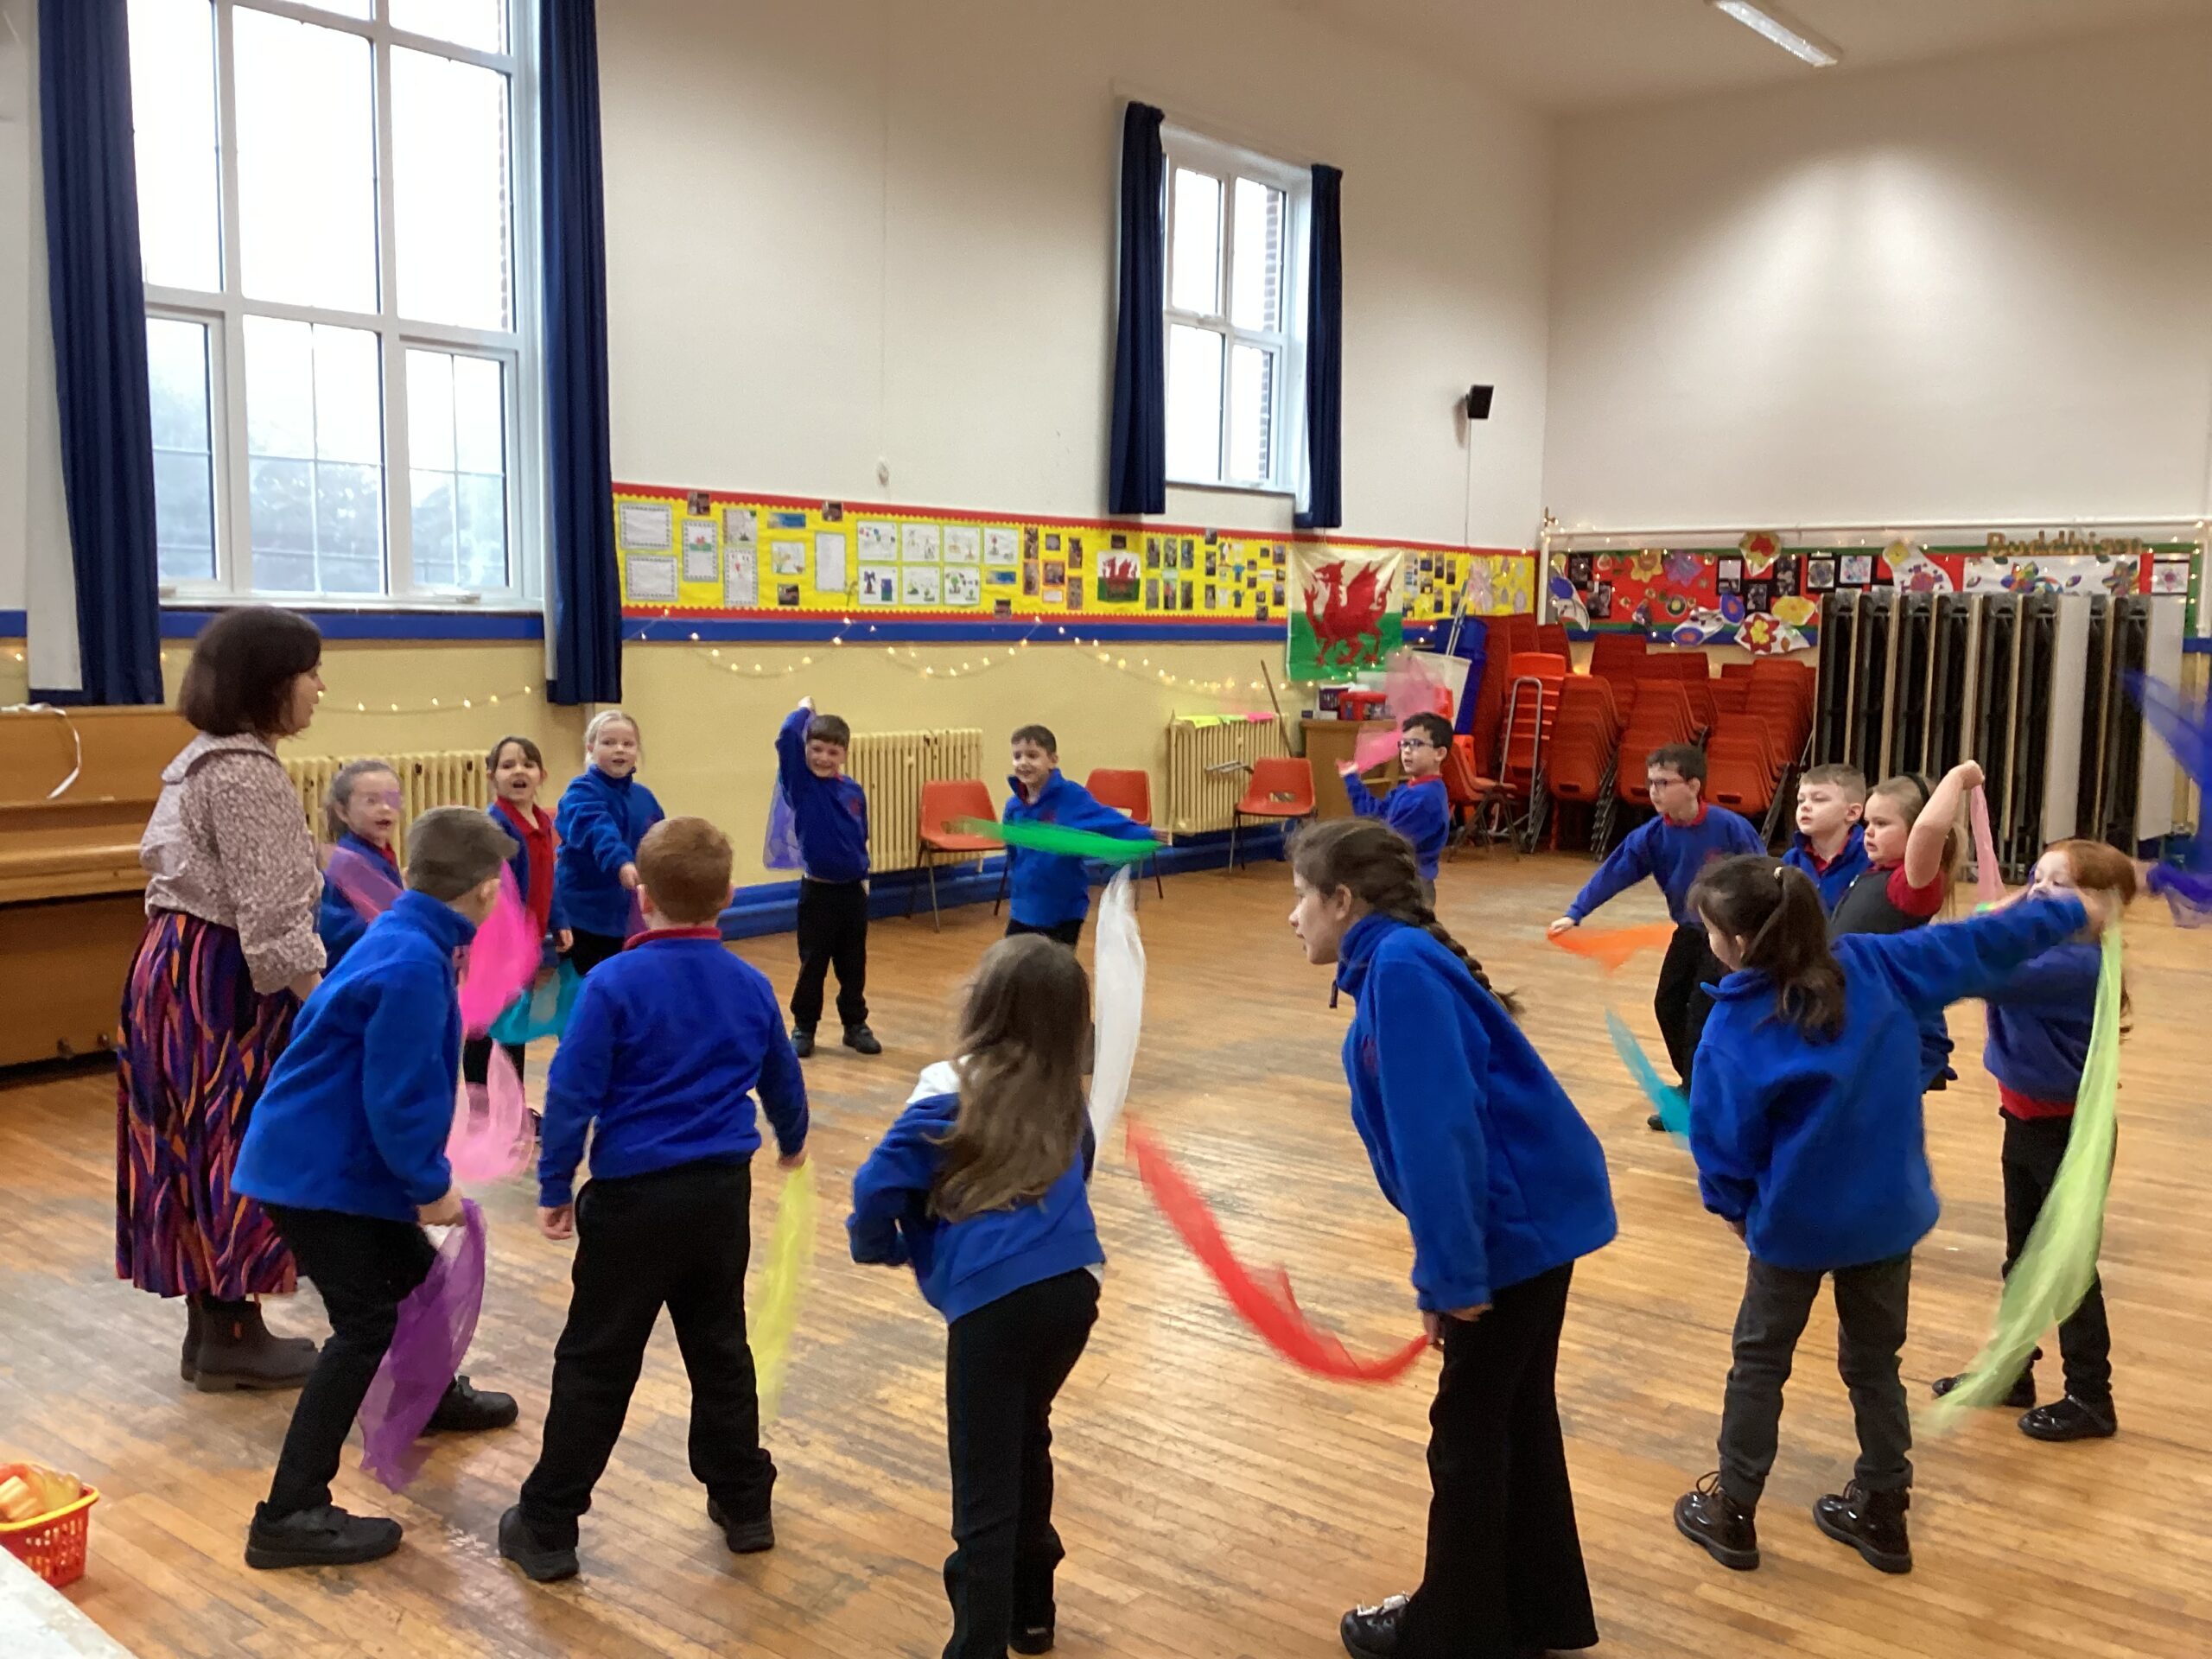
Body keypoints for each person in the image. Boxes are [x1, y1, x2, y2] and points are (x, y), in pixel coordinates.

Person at [1670, 857, 2108, 1580]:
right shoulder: (1880, 964)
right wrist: (2067, 911)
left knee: (1760, 1364)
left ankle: (1734, 1511)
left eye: (1711, 930)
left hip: (1792, 1230)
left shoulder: (1734, 1027)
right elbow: (1975, 945)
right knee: (1875, 1365)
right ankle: (1883, 1512)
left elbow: (1723, 1146)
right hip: (1884, 1219)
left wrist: (1734, 1211)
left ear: (1740, 943)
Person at [1290, 818, 1614, 1659]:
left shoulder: (1400, 971)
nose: (1293, 917)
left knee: (1469, 1434)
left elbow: (1441, 1135)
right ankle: (1537, 1612)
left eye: (1302, 897)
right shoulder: (1396, 961)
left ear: (1342, 900)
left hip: (1513, 1229)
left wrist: (1452, 1274)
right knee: (1513, 1417)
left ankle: (1454, 1631)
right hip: (1527, 1222)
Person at [501, 817, 809, 1584]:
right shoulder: (749, 983)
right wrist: (793, 1138)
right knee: (720, 1347)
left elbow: (572, 1094)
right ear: (729, 897)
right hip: (719, 1197)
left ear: (642, 899)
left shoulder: (612, 984)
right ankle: (744, 1503)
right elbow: (781, 1074)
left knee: (598, 1360)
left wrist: (554, 1183)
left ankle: (548, 1524)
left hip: (633, 1201)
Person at [232, 807, 523, 1570]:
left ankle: (430, 1396)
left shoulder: (406, 936)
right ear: (486, 892)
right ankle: (289, 1512)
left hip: (320, 1160)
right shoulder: (414, 965)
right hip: (315, 1174)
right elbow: (398, 1098)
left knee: (422, 1280)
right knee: (364, 1324)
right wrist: (430, 1187)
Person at [849, 935, 1103, 1659]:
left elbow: (876, 1185)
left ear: (984, 1005)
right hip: (1073, 1292)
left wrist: (880, 1246)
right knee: (1026, 1436)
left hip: (994, 1309)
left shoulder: (944, 1085)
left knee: (984, 1486)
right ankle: (1033, 1611)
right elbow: (1079, 1174)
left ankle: (978, 1645)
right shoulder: (1067, 1100)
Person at [119, 606, 328, 1393]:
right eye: (308, 673)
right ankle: (234, 1331)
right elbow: (272, 924)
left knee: (189, 1141)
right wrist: (329, 1010)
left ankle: (212, 1330)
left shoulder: (198, 760)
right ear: (268, 683)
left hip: (175, 965)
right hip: (221, 979)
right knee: (234, 1138)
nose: (318, 688)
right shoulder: (247, 774)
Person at [1930, 836, 2138, 1443]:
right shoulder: (2052, 949)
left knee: (2069, 1270)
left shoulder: (2074, 964)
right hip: (2024, 1121)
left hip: (2065, 1134)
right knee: (2022, 1258)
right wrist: (2028, 900)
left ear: (2101, 905)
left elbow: (1978, 963)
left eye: (2060, 884)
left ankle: (2091, 1397)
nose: (2041, 893)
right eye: (2037, 879)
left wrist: (2009, 910)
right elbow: (1987, 930)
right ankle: (2013, 1371)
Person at [1548, 743, 1764, 1126]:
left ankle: (1700, 1099)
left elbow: (1762, 873)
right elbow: (1615, 872)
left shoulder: (1730, 827)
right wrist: (1576, 912)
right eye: (1650, 782)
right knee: (1667, 1004)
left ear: (1693, 786)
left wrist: (1754, 931)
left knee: (1702, 1012)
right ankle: (1694, 1084)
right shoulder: (1651, 835)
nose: (1654, 791)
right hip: (1690, 932)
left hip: (1728, 936)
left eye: (1664, 782)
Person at [1829, 766, 1969, 1091]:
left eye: (1882, 824)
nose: (1868, 833)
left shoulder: (1912, 884)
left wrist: (1958, 778)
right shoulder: (1875, 873)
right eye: (1867, 823)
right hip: (1864, 1021)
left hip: (1895, 1030)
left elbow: (1931, 829)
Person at [462, 735, 574, 1089]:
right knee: (486, 1024)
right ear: (492, 776)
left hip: (527, 942)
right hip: (497, 946)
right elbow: (490, 887)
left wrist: (558, 919)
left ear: (542, 775)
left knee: (516, 1023)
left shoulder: (541, 821)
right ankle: (482, 1103)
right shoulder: (495, 825)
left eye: (527, 764)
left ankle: (513, 1100)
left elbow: (548, 876)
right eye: (508, 765)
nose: (518, 772)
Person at [777, 696, 880, 1058]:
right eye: (816, 749)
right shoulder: (801, 786)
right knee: (813, 964)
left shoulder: (852, 790)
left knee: (853, 964)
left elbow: (860, 833)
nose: (823, 757)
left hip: (852, 892)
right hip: (818, 894)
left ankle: (855, 1024)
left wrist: (862, 877)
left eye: (832, 752)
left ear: (844, 755)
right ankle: (804, 1026)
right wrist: (803, 711)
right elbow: (786, 739)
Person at [1001, 724, 1157, 946]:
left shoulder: (1071, 797)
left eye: (1032, 755)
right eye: (1017, 756)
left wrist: (1145, 834)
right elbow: (1012, 851)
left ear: (1052, 760)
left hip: (1063, 907)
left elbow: (1106, 820)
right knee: (1013, 962)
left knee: (1057, 965)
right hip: (1024, 904)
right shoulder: (1014, 807)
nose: (1023, 762)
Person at [555, 711, 664, 976]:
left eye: (628, 744)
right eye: (609, 742)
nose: (619, 749)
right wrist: (621, 863)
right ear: (591, 748)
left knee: (621, 979)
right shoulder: (581, 791)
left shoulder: (644, 797)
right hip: (582, 913)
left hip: (625, 914)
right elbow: (597, 829)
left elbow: (660, 839)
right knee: (584, 983)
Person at [1336, 712, 1452, 906]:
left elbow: (1391, 841)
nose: (1406, 750)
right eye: (1404, 744)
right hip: (1398, 880)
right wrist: (1352, 780)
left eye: (1416, 744)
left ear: (1439, 753)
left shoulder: (1425, 798)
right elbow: (1374, 814)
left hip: (1411, 886)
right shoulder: (1409, 790)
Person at [315, 758, 402, 972]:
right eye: (371, 801)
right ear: (342, 811)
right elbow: (339, 930)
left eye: (392, 799)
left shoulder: (380, 855)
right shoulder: (346, 863)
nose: (385, 808)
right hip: (355, 969)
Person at [1781, 764, 1869, 911]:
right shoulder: (1790, 860)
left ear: (1852, 813)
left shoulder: (1871, 859)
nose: (1805, 806)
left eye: (1819, 799)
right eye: (1801, 800)